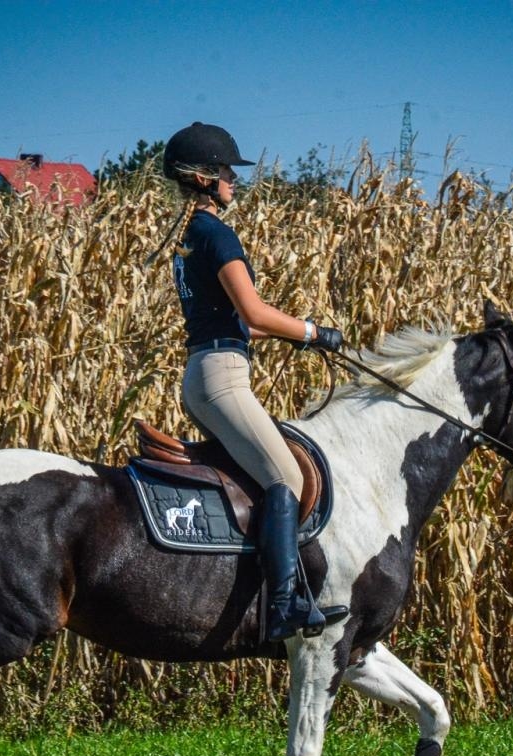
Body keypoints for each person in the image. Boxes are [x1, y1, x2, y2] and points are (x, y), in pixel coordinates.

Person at [161, 121, 349, 641]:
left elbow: (237, 323)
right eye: (226, 171)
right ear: (203, 177)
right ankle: (284, 605)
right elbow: (255, 312)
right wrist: (314, 332)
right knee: (284, 477)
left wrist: (281, 336)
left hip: (205, 370)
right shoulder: (217, 233)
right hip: (222, 379)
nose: (232, 180)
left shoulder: (189, 235)